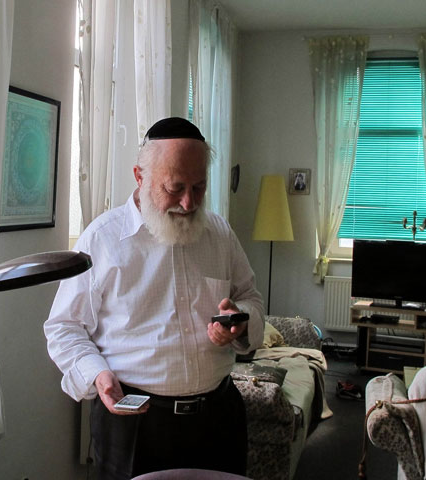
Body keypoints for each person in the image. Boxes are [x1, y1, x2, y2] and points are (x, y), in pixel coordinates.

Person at [44, 117, 264, 479]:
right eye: (175, 187)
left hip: (218, 418)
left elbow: (251, 298)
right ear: (139, 176)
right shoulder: (102, 239)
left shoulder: (220, 233)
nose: (189, 201)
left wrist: (240, 321)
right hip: (135, 426)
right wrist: (97, 375)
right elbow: (64, 327)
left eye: (199, 186)